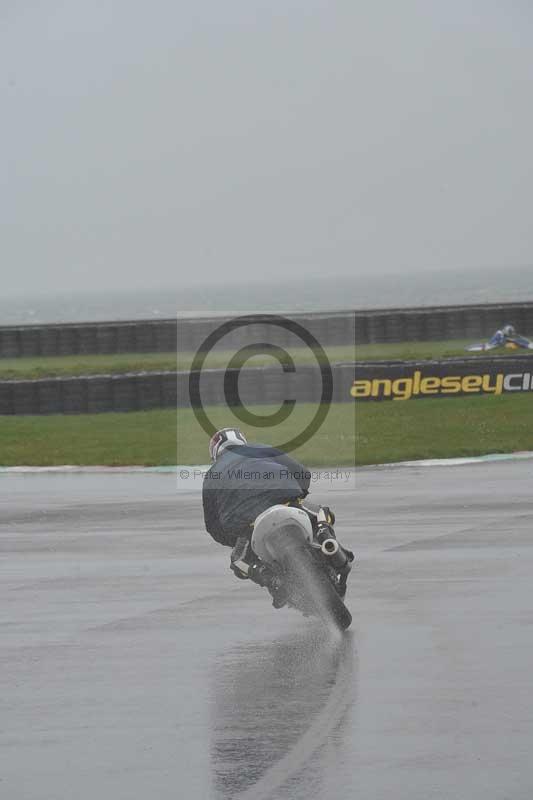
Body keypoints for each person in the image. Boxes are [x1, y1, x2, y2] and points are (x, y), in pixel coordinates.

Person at [202, 426, 353, 608]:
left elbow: (213, 526)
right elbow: (302, 474)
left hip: (247, 523)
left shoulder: (211, 474)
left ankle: (271, 579)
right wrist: (299, 494)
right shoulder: (260, 448)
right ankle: (325, 536)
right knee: (322, 512)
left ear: (215, 452)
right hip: (284, 500)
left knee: (238, 562)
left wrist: (235, 538)